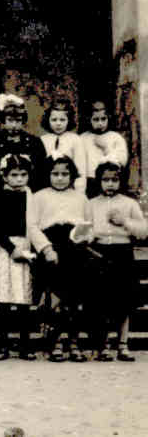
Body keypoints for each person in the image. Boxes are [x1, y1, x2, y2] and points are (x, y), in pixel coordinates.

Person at [27, 155, 90, 362]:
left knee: (74, 298)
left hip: (74, 247)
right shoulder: (39, 197)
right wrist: (46, 249)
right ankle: (54, 342)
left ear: (72, 176)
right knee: (54, 297)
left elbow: (89, 224)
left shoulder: (80, 198)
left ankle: (73, 342)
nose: (60, 178)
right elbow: (32, 226)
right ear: (48, 175)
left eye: (65, 174)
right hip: (51, 246)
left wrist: (83, 237)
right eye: (55, 174)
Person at [84, 161, 147, 361]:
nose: (110, 184)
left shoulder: (130, 203)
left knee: (124, 301)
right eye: (105, 180)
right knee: (101, 301)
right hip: (100, 254)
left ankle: (122, 345)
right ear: (99, 181)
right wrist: (90, 236)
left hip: (122, 253)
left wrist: (124, 222)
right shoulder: (91, 204)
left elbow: (143, 231)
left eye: (114, 179)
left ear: (121, 181)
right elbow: (86, 229)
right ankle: (103, 346)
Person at [0, 154, 38, 361]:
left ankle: (25, 345)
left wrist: (29, 248)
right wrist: (10, 248)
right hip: (5, 249)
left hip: (26, 245)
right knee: (5, 297)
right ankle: (2, 344)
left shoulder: (30, 196)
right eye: (14, 175)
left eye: (23, 175)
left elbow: (34, 224)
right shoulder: (0, 196)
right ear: (5, 176)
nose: (19, 179)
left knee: (24, 297)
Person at [81, 100, 129, 197]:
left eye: (103, 119)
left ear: (108, 118)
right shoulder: (83, 138)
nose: (100, 123)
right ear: (89, 119)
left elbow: (122, 161)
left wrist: (106, 148)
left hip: (109, 180)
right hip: (89, 182)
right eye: (96, 119)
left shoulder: (115, 137)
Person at [40, 98, 87, 193]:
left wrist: (79, 191)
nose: (58, 123)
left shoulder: (75, 139)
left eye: (62, 120)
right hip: (47, 186)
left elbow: (80, 168)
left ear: (69, 120)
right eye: (54, 120)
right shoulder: (43, 140)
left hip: (69, 186)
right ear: (48, 120)